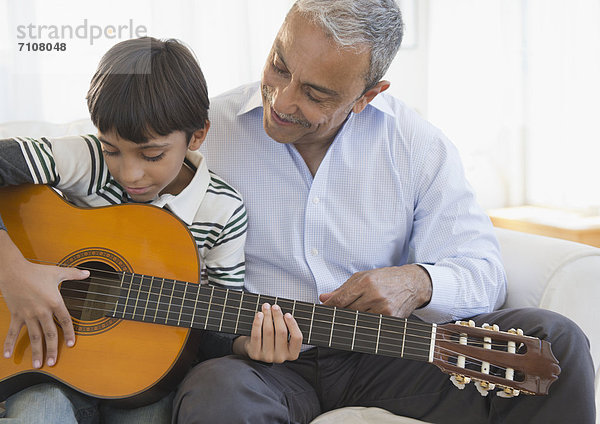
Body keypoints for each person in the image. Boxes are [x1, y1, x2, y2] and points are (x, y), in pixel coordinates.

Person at [173, 1, 596, 423]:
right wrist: (237, 340)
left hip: (389, 357)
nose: (282, 100)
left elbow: (484, 271)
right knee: (217, 393)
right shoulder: (203, 133)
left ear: (367, 96)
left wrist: (419, 282)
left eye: (315, 94)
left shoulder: (416, 145)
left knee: (552, 345)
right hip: (261, 368)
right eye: (279, 67)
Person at [0, 37, 247, 422]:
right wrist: (13, 271)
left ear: (197, 136)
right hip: (45, 364)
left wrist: (249, 342)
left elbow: (217, 330)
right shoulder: (88, 161)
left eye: (151, 155)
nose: (128, 173)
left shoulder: (221, 210)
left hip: (142, 381)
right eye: (112, 149)